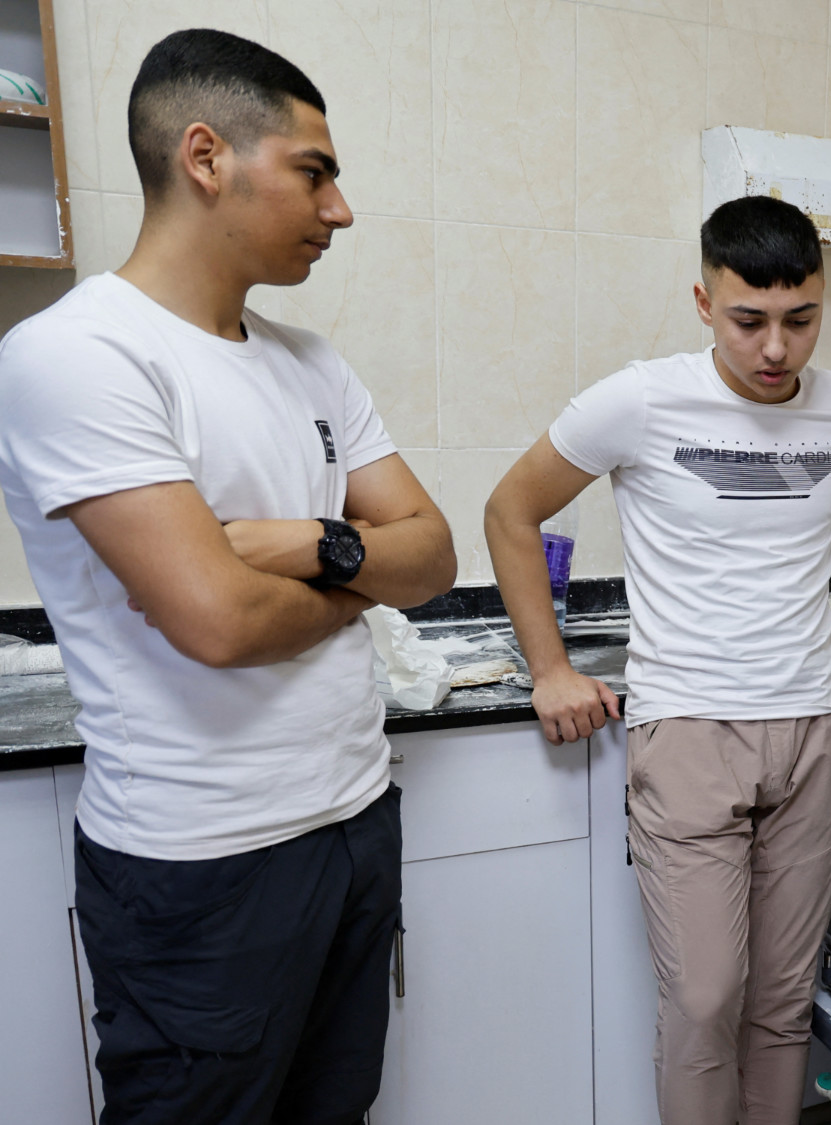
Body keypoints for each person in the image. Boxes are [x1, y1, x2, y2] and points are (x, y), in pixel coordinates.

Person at [0, 29, 456, 1125]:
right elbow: (217, 620)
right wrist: (355, 565)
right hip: (202, 864)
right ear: (205, 156)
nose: (338, 208)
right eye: (315, 170)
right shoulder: (80, 355)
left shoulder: (309, 360)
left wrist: (307, 542)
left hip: (353, 824)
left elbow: (434, 556)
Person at [484, 194, 831, 1124]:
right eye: (749, 321)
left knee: (784, 999)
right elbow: (511, 512)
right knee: (706, 995)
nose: (775, 350)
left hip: (810, 734)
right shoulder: (639, 400)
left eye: (801, 321)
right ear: (703, 301)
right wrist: (550, 667)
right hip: (688, 736)